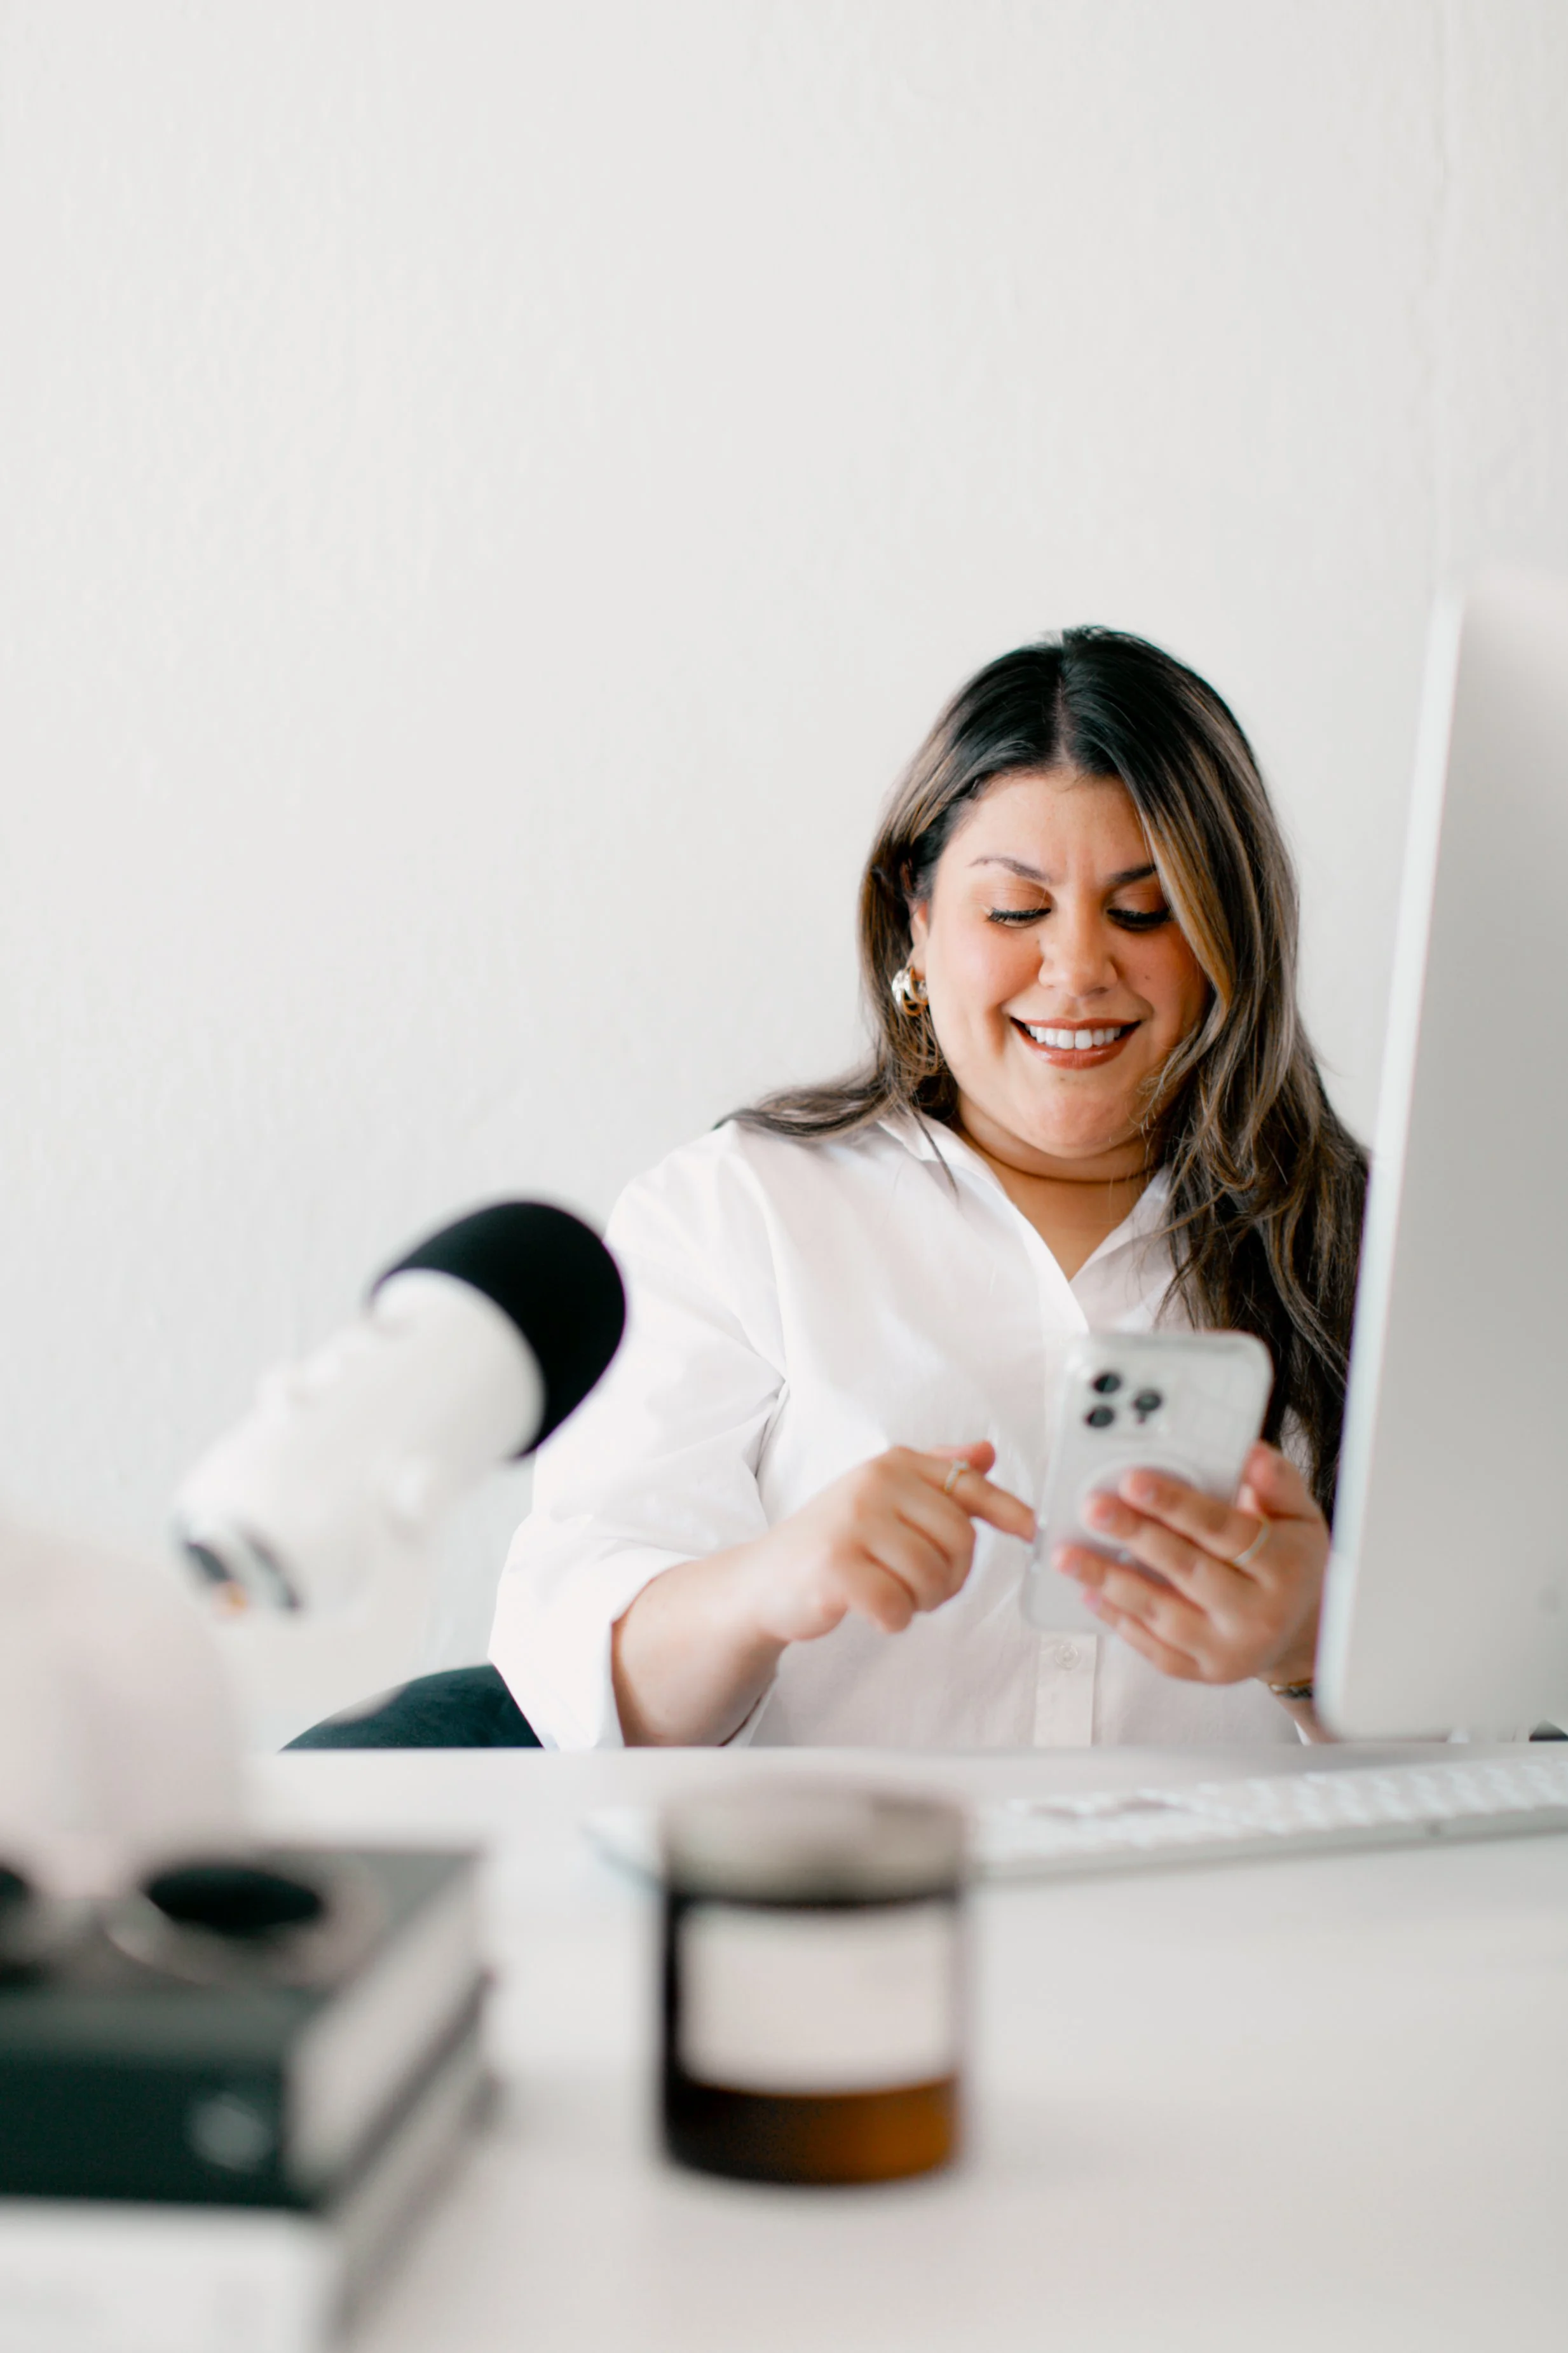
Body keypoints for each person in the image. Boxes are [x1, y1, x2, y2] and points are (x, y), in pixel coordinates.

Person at [489, 629, 1367, 1750]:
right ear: (917, 915)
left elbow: (1494, 1745)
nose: (1077, 968)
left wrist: (1311, 1647)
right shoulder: (739, 1215)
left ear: (1226, 943)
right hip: (852, 1909)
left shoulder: (1371, 1244)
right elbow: (588, 1694)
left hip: (1251, 1918)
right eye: (1015, 912)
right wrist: (767, 1586)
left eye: (1142, 913)